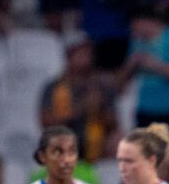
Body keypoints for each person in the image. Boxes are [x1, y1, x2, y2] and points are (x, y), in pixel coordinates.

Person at [121, 3, 169, 150]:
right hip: (146, 109)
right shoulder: (137, 42)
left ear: (145, 21)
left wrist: (154, 65)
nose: (132, 28)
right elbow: (123, 80)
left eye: (134, 24)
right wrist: (130, 65)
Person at [40, 32, 120, 164]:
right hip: (65, 141)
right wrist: (82, 108)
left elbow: (114, 123)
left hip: (97, 142)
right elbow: (47, 122)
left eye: (89, 51)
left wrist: (100, 109)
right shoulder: (54, 87)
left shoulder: (102, 86)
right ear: (70, 55)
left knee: (117, 140)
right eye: (82, 52)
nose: (87, 56)